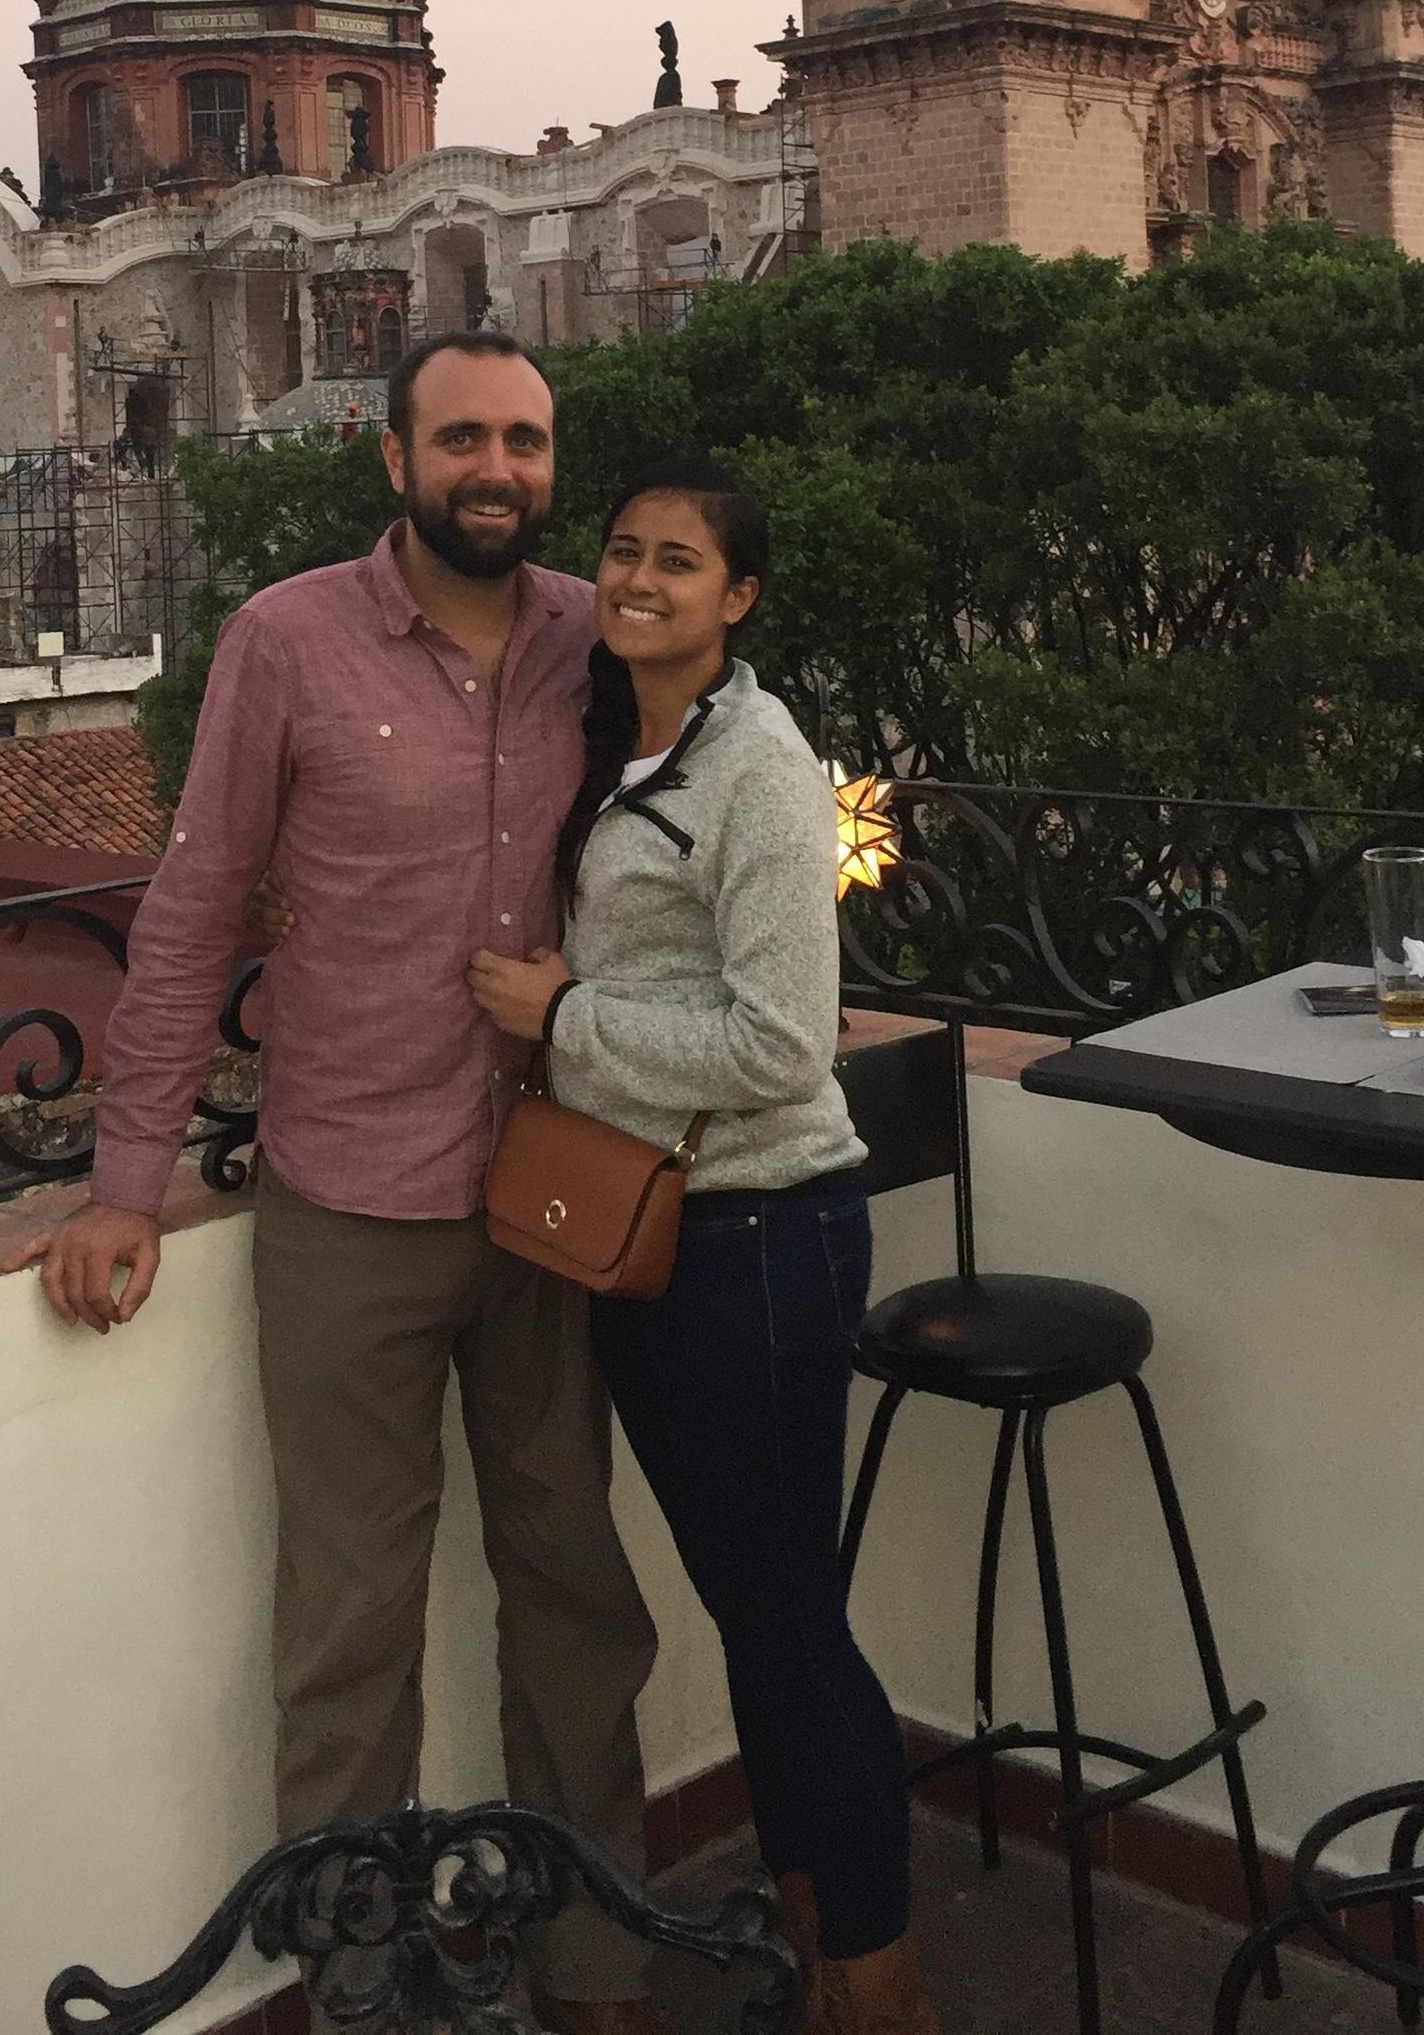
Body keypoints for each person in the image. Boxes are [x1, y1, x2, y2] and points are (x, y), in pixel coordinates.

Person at [19, 335, 671, 2035]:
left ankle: (595, 1970)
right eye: (463, 436)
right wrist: (125, 1183)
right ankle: (362, 1987)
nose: (497, 468)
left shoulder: (596, 641)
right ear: (394, 459)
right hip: (348, 1204)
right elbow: (196, 909)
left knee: (577, 1598)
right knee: (350, 1630)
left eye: (525, 440)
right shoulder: (286, 642)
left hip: (548, 1199)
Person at [464, 458, 940, 2035]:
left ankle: (877, 1986)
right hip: (660, 1238)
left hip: (758, 1239)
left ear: (738, 598)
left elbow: (788, 1043)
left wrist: (569, 1019)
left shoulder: (757, 766)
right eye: (622, 553)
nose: (641, 579)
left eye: (680, 561)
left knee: (790, 1622)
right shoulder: (625, 741)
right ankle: (821, 1955)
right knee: (761, 1610)